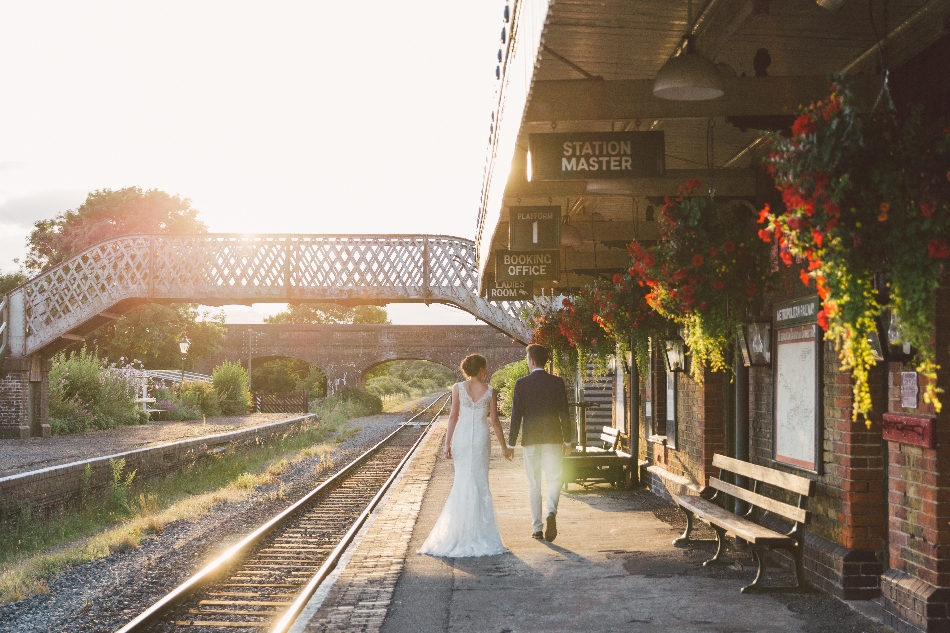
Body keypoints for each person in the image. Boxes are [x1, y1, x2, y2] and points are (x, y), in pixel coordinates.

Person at [419, 354, 514, 557]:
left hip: (462, 437)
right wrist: (504, 447)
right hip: (480, 438)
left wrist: (447, 443)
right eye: (485, 368)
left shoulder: (458, 388)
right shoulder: (490, 391)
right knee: (480, 482)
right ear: (480, 369)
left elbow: (453, 416)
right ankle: (480, 532)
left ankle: (459, 531)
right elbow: (495, 421)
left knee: (461, 481)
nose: (486, 371)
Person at [507, 343, 572, 542]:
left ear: (532, 360)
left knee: (534, 483)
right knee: (554, 478)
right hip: (553, 438)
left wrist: (511, 444)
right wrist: (568, 440)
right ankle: (551, 511)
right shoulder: (557, 382)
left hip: (530, 440)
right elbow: (564, 414)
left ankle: (537, 528)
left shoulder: (521, 383)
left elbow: (516, 415)